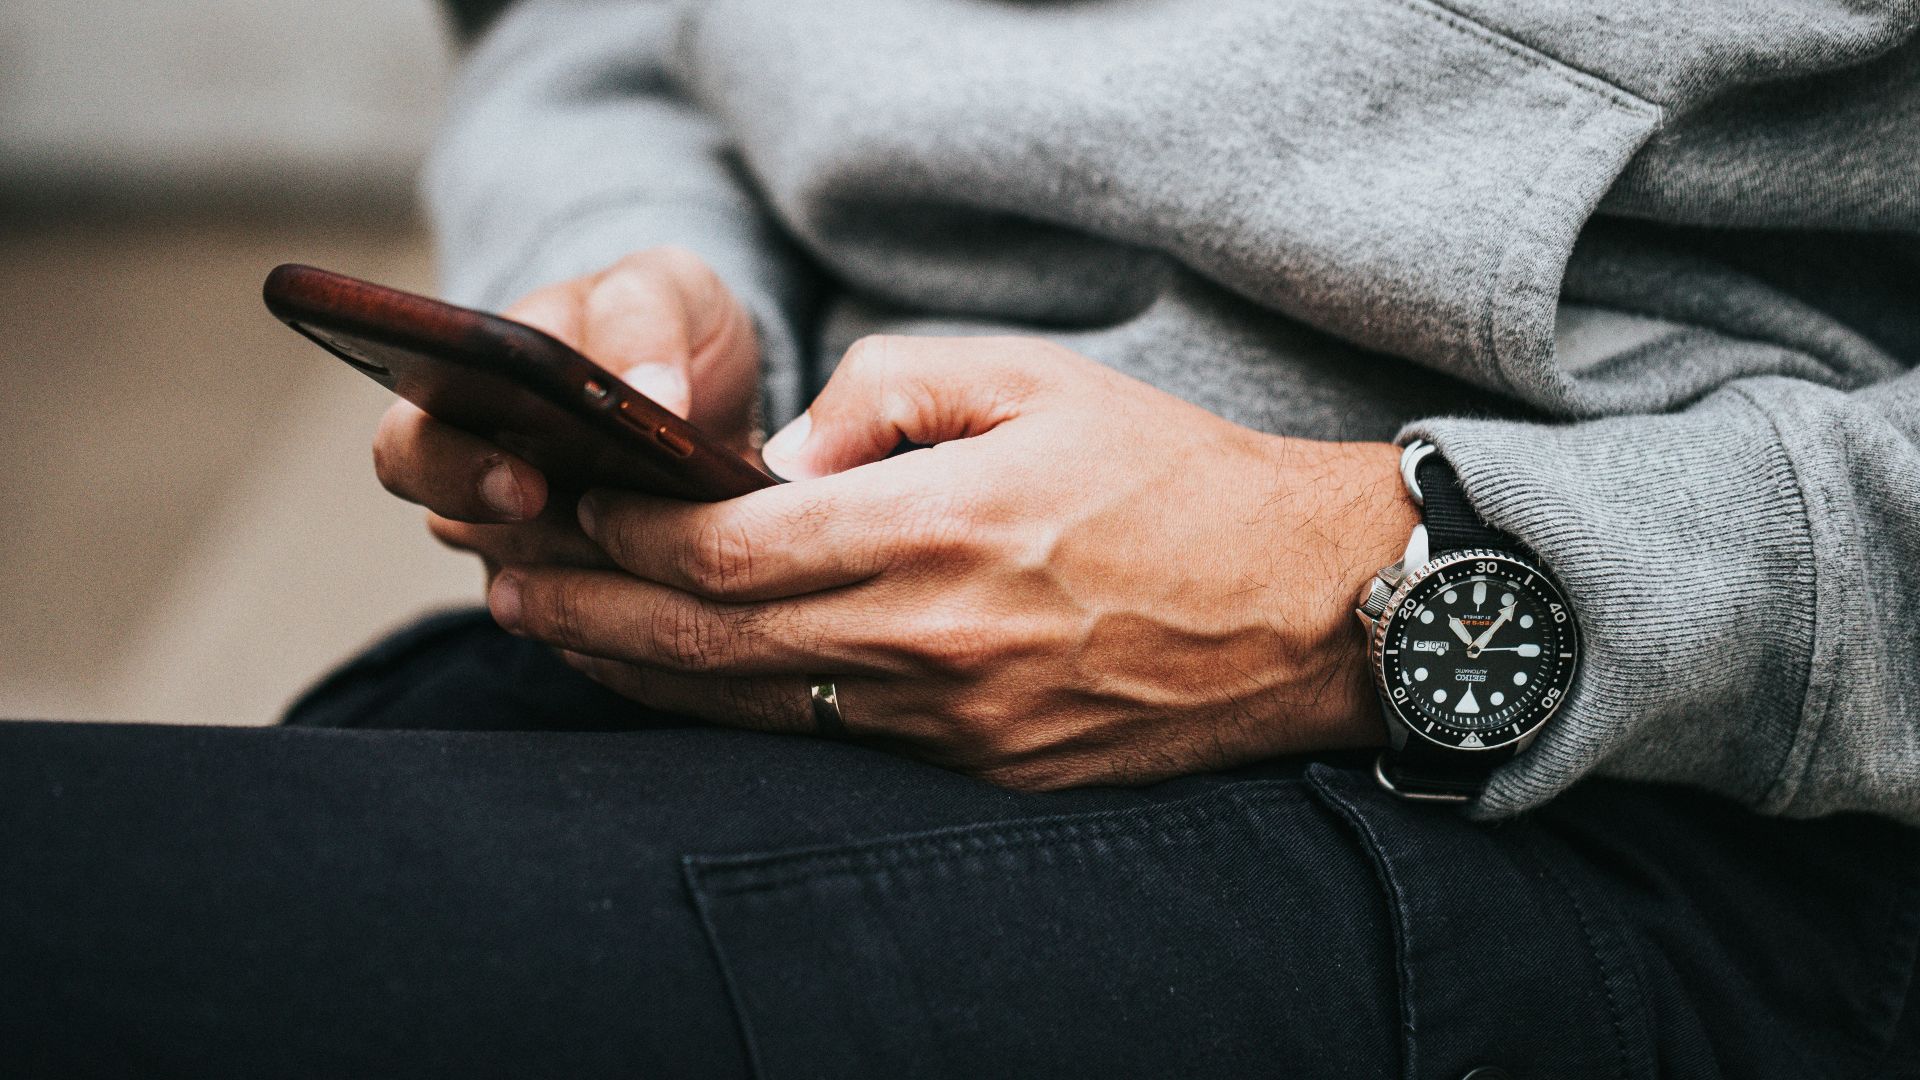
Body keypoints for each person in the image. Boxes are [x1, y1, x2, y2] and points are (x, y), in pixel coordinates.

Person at [4, 0, 1918, 1075]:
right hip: (819, 575)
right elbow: (589, 28)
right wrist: (640, 274)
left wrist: (1367, 592)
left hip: (1649, 784)